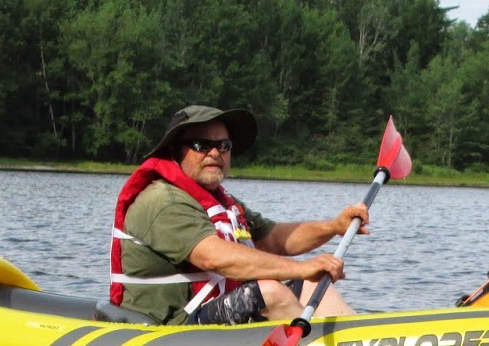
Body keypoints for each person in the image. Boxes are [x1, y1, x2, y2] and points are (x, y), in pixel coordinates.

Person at [109, 104, 366, 325]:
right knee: (270, 291)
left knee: (312, 286)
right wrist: (301, 268)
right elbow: (214, 257)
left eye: (224, 145)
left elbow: (275, 238)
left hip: (208, 312)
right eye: (201, 145)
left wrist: (334, 226)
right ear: (175, 152)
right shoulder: (162, 201)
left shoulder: (221, 202)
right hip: (170, 326)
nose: (215, 153)